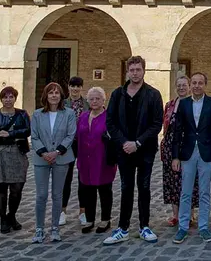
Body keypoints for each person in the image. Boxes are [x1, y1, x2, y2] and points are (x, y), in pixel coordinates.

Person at [103, 56, 164, 245]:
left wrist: (137, 142)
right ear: (127, 71)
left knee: (144, 187)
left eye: (139, 69)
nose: (135, 73)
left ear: (144, 71)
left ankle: (144, 226)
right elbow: (110, 122)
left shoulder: (153, 94)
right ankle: (123, 228)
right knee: (126, 187)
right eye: (132, 70)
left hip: (144, 149)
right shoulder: (117, 94)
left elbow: (157, 123)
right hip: (123, 150)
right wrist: (124, 143)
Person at [172, 72, 211, 244]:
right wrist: (175, 157)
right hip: (187, 153)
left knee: (204, 192)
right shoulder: (184, 104)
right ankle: (183, 227)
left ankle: (203, 227)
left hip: (207, 154)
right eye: (194, 83)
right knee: (185, 192)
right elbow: (177, 132)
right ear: (191, 85)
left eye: (200, 83)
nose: (196, 86)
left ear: (205, 85)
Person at [30, 82, 77, 244]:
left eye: (57, 92)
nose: (54, 95)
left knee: (57, 195)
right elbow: (34, 136)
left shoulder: (69, 113)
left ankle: (55, 228)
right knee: (41, 195)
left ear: (61, 96)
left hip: (61, 157)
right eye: (51, 93)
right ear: (46, 95)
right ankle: (39, 228)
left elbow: (71, 135)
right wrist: (44, 152)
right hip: (41, 158)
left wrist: (56, 152)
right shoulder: (37, 114)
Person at [0, 86, 31, 234]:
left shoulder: (22, 114)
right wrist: (1, 134)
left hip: (17, 152)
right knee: (1, 187)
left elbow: (27, 130)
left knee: (17, 188)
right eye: (5, 97)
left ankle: (12, 216)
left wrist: (9, 133)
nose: (8, 100)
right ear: (1, 99)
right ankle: (3, 219)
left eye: (11, 97)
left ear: (15, 98)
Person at [75, 87, 116, 234]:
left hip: (103, 159)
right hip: (85, 159)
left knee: (104, 190)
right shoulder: (83, 117)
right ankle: (90, 219)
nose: (94, 101)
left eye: (97, 98)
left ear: (103, 100)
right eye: (91, 99)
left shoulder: (109, 117)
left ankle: (105, 219)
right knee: (87, 191)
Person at [160, 76, 199, 228]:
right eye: (179, 85)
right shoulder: (169, 105)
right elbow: (166, 126)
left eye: (184, 85)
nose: (182, 88)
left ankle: (189, 214)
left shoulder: (194, 104)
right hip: (170, 147)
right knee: (172, 181)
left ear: (189, 87)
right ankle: (175, 215)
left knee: (188, 179)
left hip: (188, 146)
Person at [61, 76, 86, 226]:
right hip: (67, 144)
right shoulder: (62, 104)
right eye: (72, 86)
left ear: (81, 88)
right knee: (65, 178)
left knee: (83, 178)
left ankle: (83, 211)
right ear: (68, 87)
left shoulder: (87, 104)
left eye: (78, 86)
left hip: (83, 144)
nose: (75, 89)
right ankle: (62, 210)